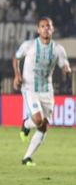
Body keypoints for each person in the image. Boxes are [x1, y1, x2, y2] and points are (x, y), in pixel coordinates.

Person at [12, 17, 71, 166]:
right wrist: (17, 75)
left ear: (52, 29)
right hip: (30, 88)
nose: (46, 29)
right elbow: (16, 58)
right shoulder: (29, 45)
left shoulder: (58, 49)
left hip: (47, 91)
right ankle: (26, 124)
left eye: (48, 26)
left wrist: (67, 70)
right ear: (38, 30)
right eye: (43, 26)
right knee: (38, 120)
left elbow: (65, 65)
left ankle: (27, 158)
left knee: (44, 126)